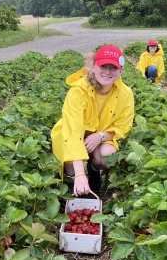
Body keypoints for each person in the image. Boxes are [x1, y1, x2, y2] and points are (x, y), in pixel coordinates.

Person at [51, 45, 135, 196]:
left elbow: (123, 127)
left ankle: (94, 169)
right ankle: (70, 184)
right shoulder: (78, 91)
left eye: (113, 68)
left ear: (120, 71)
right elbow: (72, 133)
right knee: (70, 158)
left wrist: (101, 136)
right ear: (93, 66)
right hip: (71, 135)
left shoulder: (125, 93)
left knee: (107, 156)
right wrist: (79, 175)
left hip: (100, 135)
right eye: (103, 66)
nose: (107, 72)